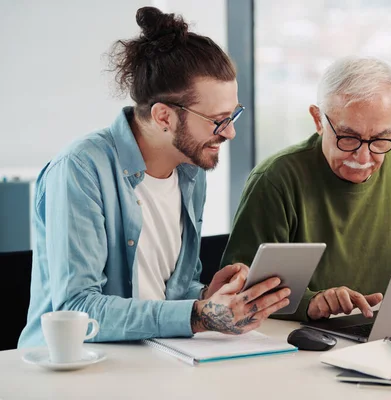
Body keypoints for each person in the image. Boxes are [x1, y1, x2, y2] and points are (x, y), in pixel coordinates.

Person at [18, 7, 290, 348]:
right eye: (219, 120)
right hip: (79, 367)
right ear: (164, 116)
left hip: (156, 357)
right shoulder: (81, 169)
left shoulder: (191, 168)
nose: (231, 132)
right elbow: (77, 309)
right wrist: (198, 314)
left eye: (233, 115)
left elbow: (165, 291)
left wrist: (207, 296)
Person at [221, 56, 391, 322]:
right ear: (318, 120)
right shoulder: (275, 179)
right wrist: (312, 302)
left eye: (381, 139)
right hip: (304, 344)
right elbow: (240, 292)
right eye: (348, 138)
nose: (363, 158)